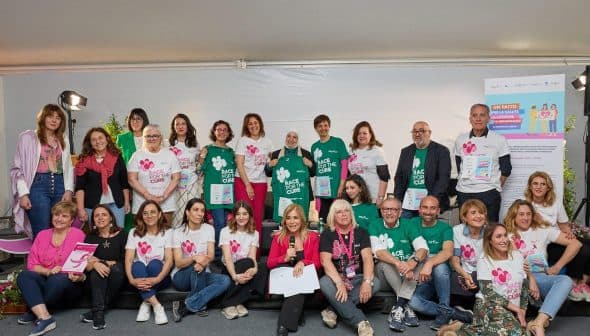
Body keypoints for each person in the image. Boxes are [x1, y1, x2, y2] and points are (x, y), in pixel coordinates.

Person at [437, 223, 531, 336]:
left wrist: (522, 312)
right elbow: (488, 292)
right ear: (490, 241)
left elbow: (524, 285)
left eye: (505, 235)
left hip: (512, 308)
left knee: (516, 332)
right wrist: (516, 309)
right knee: (514, 333)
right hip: (488, 304)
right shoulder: (484, 260)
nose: (504, 240)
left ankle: (464, 328)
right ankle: (467, 328)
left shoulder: (517, 256)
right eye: (498, 236)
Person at [505, 199, 581, 336]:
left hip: (541, 277)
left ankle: (538, 323)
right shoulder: (506, 234)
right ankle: (541, 321)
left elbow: (575, 244)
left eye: (528, 214)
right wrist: (530, 278)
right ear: (514, 216)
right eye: (521, 214)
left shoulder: (542, 230)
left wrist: (557, 267)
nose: (525, 217)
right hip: (517, 278)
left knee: (566, 280)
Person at [16, 201, 85, 336]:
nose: (59, 219)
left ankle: (33, 309)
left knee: (58, 280)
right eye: (56, 215)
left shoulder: (78, 234)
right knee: (24, 276)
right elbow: (32, 265)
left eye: (64, 216)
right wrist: (48, 271)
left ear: (71, 220)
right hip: (46, 278)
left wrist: (70, 273)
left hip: (68, 283)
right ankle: (45, 317)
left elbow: (80, 262)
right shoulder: (42, 235)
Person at [408, 196, 473, 331]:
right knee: (414, 302)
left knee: (440, 267)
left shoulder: (445, 228)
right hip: (419, 274)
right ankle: (452, 312)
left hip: (439, 275)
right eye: (425, 207)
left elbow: (448, 252)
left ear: (438, 211)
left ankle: (444, 306)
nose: (428, 211)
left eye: (433, 208)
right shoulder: (411, 223)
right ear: (419, 210)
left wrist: (429, 263)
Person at [11, 104, 74, 238]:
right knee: (42, 231)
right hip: (37, 186)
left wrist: (68, 190)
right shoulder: (28, 137)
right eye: (50, 116)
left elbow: (68, 167)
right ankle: (40, 259)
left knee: (61, 228)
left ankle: (57, 259)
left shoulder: (63, 139)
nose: (54, 120)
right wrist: (23, 194)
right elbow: (18, 169)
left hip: (59, 184)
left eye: (58, 118)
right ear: (43, 118)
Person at [525, 171, 590, 301]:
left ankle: (583, 282)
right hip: (542, 242)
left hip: (556, 236)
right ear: (530, 187)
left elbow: (564, 225)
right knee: (583, 249)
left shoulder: (555, 202)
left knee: (587, 243)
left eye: (543, 184)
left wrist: (569, 233)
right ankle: (573, 284)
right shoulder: (525, 204)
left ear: (548, 187)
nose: (539, 187)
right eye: (535, 184)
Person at [318, 199, 379, 336]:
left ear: (351, 213)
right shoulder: (327, 234)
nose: (344, 214)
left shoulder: (361, 232)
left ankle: (332, 309)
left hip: (356, 277)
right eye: (339, 212)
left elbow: (368, 258)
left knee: (376, 283)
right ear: (333, 216)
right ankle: (361, 322)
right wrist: (339, 283)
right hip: (336, 278)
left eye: (346, 211)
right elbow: (325, 261)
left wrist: (367, 282)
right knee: (324, 283)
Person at [369, 197, 428, 332]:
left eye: (393, 209)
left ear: (400, 212)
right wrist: (399, 264)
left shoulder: (408, 224)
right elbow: (378, 251)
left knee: (420, 257)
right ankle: (405, 304)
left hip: (407, 274)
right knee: (385, 261)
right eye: (385, 209)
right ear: (381, 211)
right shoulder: (375, 225)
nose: (389, 213)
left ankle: (400, 306)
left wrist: (411, 264)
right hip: (384, 276)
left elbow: (423, 248)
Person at [170, 198, 230, 322]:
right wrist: (194, 258)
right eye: (195, 210)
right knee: (197, 267)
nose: (199, 213)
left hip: (202, 272)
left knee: (225, 280)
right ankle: (198, 304)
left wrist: (202, 261)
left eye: (202, 210)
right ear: (187, 212)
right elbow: (178, 263)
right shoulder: (178, 232)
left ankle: (186, 305)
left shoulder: (208, 229)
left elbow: (211, 255)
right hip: (181, 277)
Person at [267, 204, 321, 335]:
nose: (292, 222)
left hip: (307, 280)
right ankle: (297, 313)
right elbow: (269, 263)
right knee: (295, 284)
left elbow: (318, 263)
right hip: (284, 281)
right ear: (284, 220)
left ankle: (284, 325)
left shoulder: (313, 237)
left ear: (302, 220)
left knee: (298, 282)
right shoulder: (278, 238)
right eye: (288, 218)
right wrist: (284, 258)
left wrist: (303, 262)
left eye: (295, 218)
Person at [454, 104, 511, 222]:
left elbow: (506, 169)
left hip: (489, 193)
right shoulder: (460, 139)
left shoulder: (499, 139)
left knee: (490, 232)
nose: (478, 119)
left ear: (488, 118)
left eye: (482, 115)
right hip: (464, 193)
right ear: (470, 119)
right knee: (466, 231)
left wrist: (495, 187)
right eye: (474, 115)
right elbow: (460, 166)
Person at [124, 200, 173, 325]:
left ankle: (146, 302)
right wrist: (130, 279)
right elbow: (129, 259)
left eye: (152, 212)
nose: (149, 216)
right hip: (138, 276)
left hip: (161, 276)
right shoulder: (133, 232)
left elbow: (169, 260)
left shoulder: (168, 232)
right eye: (145, 213)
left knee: (155, 263)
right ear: (141, 216)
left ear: (160, 214)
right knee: (137, 265)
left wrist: (157, 279)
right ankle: (157, 306)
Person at [81, 204, 128, 330]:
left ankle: (97, 310)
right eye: (96, 215)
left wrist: (100, 261)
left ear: (111, 218)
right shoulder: (89, 237)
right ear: (93, 220)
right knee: (98, 269)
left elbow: (125, 260)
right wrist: (98, 263)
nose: (100, 218)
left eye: (104, 214)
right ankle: (99, 314)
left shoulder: (122, 234)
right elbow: (85, 262)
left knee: (116, 268)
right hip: (95, 280)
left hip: (118, 277)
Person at [218, 201, 268, 320]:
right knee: (246, 263)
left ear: (250, 216)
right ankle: (229, 303)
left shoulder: (254, 233)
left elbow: (252, 257)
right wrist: (235, 276)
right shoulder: (225, 231)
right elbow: (228, 258)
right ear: (234, 216)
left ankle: (237, 301)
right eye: (238, 214)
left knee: (263, 267)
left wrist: (254, 269)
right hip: (230, 269)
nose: (241, 217)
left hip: (245, 269)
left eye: (245, 214)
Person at [75, 127, 130, 228]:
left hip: (116, 204)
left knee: (117, 234)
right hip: (93, 206)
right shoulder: (84, 161)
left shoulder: (117, 158)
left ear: (107, 139)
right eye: (94, 139)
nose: (98, 141)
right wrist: (81, 209)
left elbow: (124, 183)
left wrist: (126, 202)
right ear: (90, 143)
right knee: (97, 236)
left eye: (100, 138)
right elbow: (80, 188)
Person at [394, 121, 451, 218]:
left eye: (422, 131)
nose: (418, 134)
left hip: (430, 200)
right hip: (408, 201)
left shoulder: (441, 151)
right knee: (406, 229)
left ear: (429, 133)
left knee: (425, 230)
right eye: (415, 131)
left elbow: (443, 178)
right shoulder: (406, 151)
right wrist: (398, 199)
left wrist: (431, 199)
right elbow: (399, 176)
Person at [128, 124, 181, 224]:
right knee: (142, 235)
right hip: (142, 204)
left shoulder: (170, 154)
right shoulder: (137, 155)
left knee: (165, 234)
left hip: (166, 204)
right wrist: (148, 196)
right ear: (143, 138)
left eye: (155, 136)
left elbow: (176, 178)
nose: (152, 138)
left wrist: (164, 197)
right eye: (148, 136)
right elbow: (131, 179)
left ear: (160, 137)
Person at [198, 120, 236, 257]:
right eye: (218, 129)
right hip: (214, 191)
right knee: (219, 223)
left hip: (228, 191)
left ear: (228, 133)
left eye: (224, 130)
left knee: (226, 224)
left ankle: (225, 252)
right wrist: (202, 157)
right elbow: (199, 171)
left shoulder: (232, 152)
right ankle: (219, 255)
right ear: (214, 132)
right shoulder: (208, 150)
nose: (221, 132)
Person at [234, 113, 272, 246]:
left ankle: (254, 252)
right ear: (246, 126)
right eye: (250, 123)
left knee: (257, 217)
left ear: (260, 124)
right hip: (243, 182)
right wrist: (248, 185)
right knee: (243, 215)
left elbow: (269, 163)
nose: (253, 125)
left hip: (261, 182)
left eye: (255, 122)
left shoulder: (267, 142)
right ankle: (240, 249)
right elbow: (239, 164)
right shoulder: (243, 141)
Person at [265, 130, 315, 223]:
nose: (291, 139)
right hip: (283, 195)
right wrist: (269, 165)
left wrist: (310, 164)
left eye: (294, 137)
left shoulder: (306, 153)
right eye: (289, 136)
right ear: (285, 138)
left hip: (301, 196)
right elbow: (268, 173)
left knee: (301, 220)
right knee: (284, 221)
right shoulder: (276, 154)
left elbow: (313, 173)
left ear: (298, 139)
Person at [116, 107, 150, 231]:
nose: (135, 122)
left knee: (147, 213)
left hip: (148, 182)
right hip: (129, 182)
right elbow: (118, 162)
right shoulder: (122, 138)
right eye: (132, 119)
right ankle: (129, 244)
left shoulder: (150, 137)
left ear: (144, 121)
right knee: (130, 215)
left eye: (138, 119)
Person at [449, 199, 487, 309]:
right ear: (464, 217)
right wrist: (466, 275)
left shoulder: (490, 231)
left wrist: (474, 276)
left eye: (481, 212)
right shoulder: (457, 231)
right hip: (464, 271)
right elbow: (455, 261)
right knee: (454, 278)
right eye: (473, 213)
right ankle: (463, 310)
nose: (479, 216)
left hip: (484, 272)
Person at [312, 114, 349, 222]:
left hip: (336, 188)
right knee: (322, 219)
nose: (323, 128)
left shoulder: (338, 142)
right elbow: (316, 169)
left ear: (329, 126)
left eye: (325, 125)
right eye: (320, 126)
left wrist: (341, 185)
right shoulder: (314, 146)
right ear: (316, 128)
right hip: (321, 190)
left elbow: (345, 165)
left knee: (337, 219)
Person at [167, 113, 202, 227]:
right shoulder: (168, 144)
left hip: (192, 184)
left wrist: (202, 157)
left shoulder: (194, 144)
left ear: (188, 126)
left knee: (193, 212)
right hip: (175, 185)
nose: (180, 126)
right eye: (177, 124)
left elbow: (199, 166)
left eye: (183, 124)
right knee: (177, 214)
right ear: (173, 127)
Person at [348, 121, 390, 207]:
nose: (361, 136)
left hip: (373, 198)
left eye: (365, 133)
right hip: (356, 198)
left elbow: (384, 177)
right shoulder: (351, 152)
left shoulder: (377, 151)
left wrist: (380, 197)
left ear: (370, 135)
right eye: (359, 133)